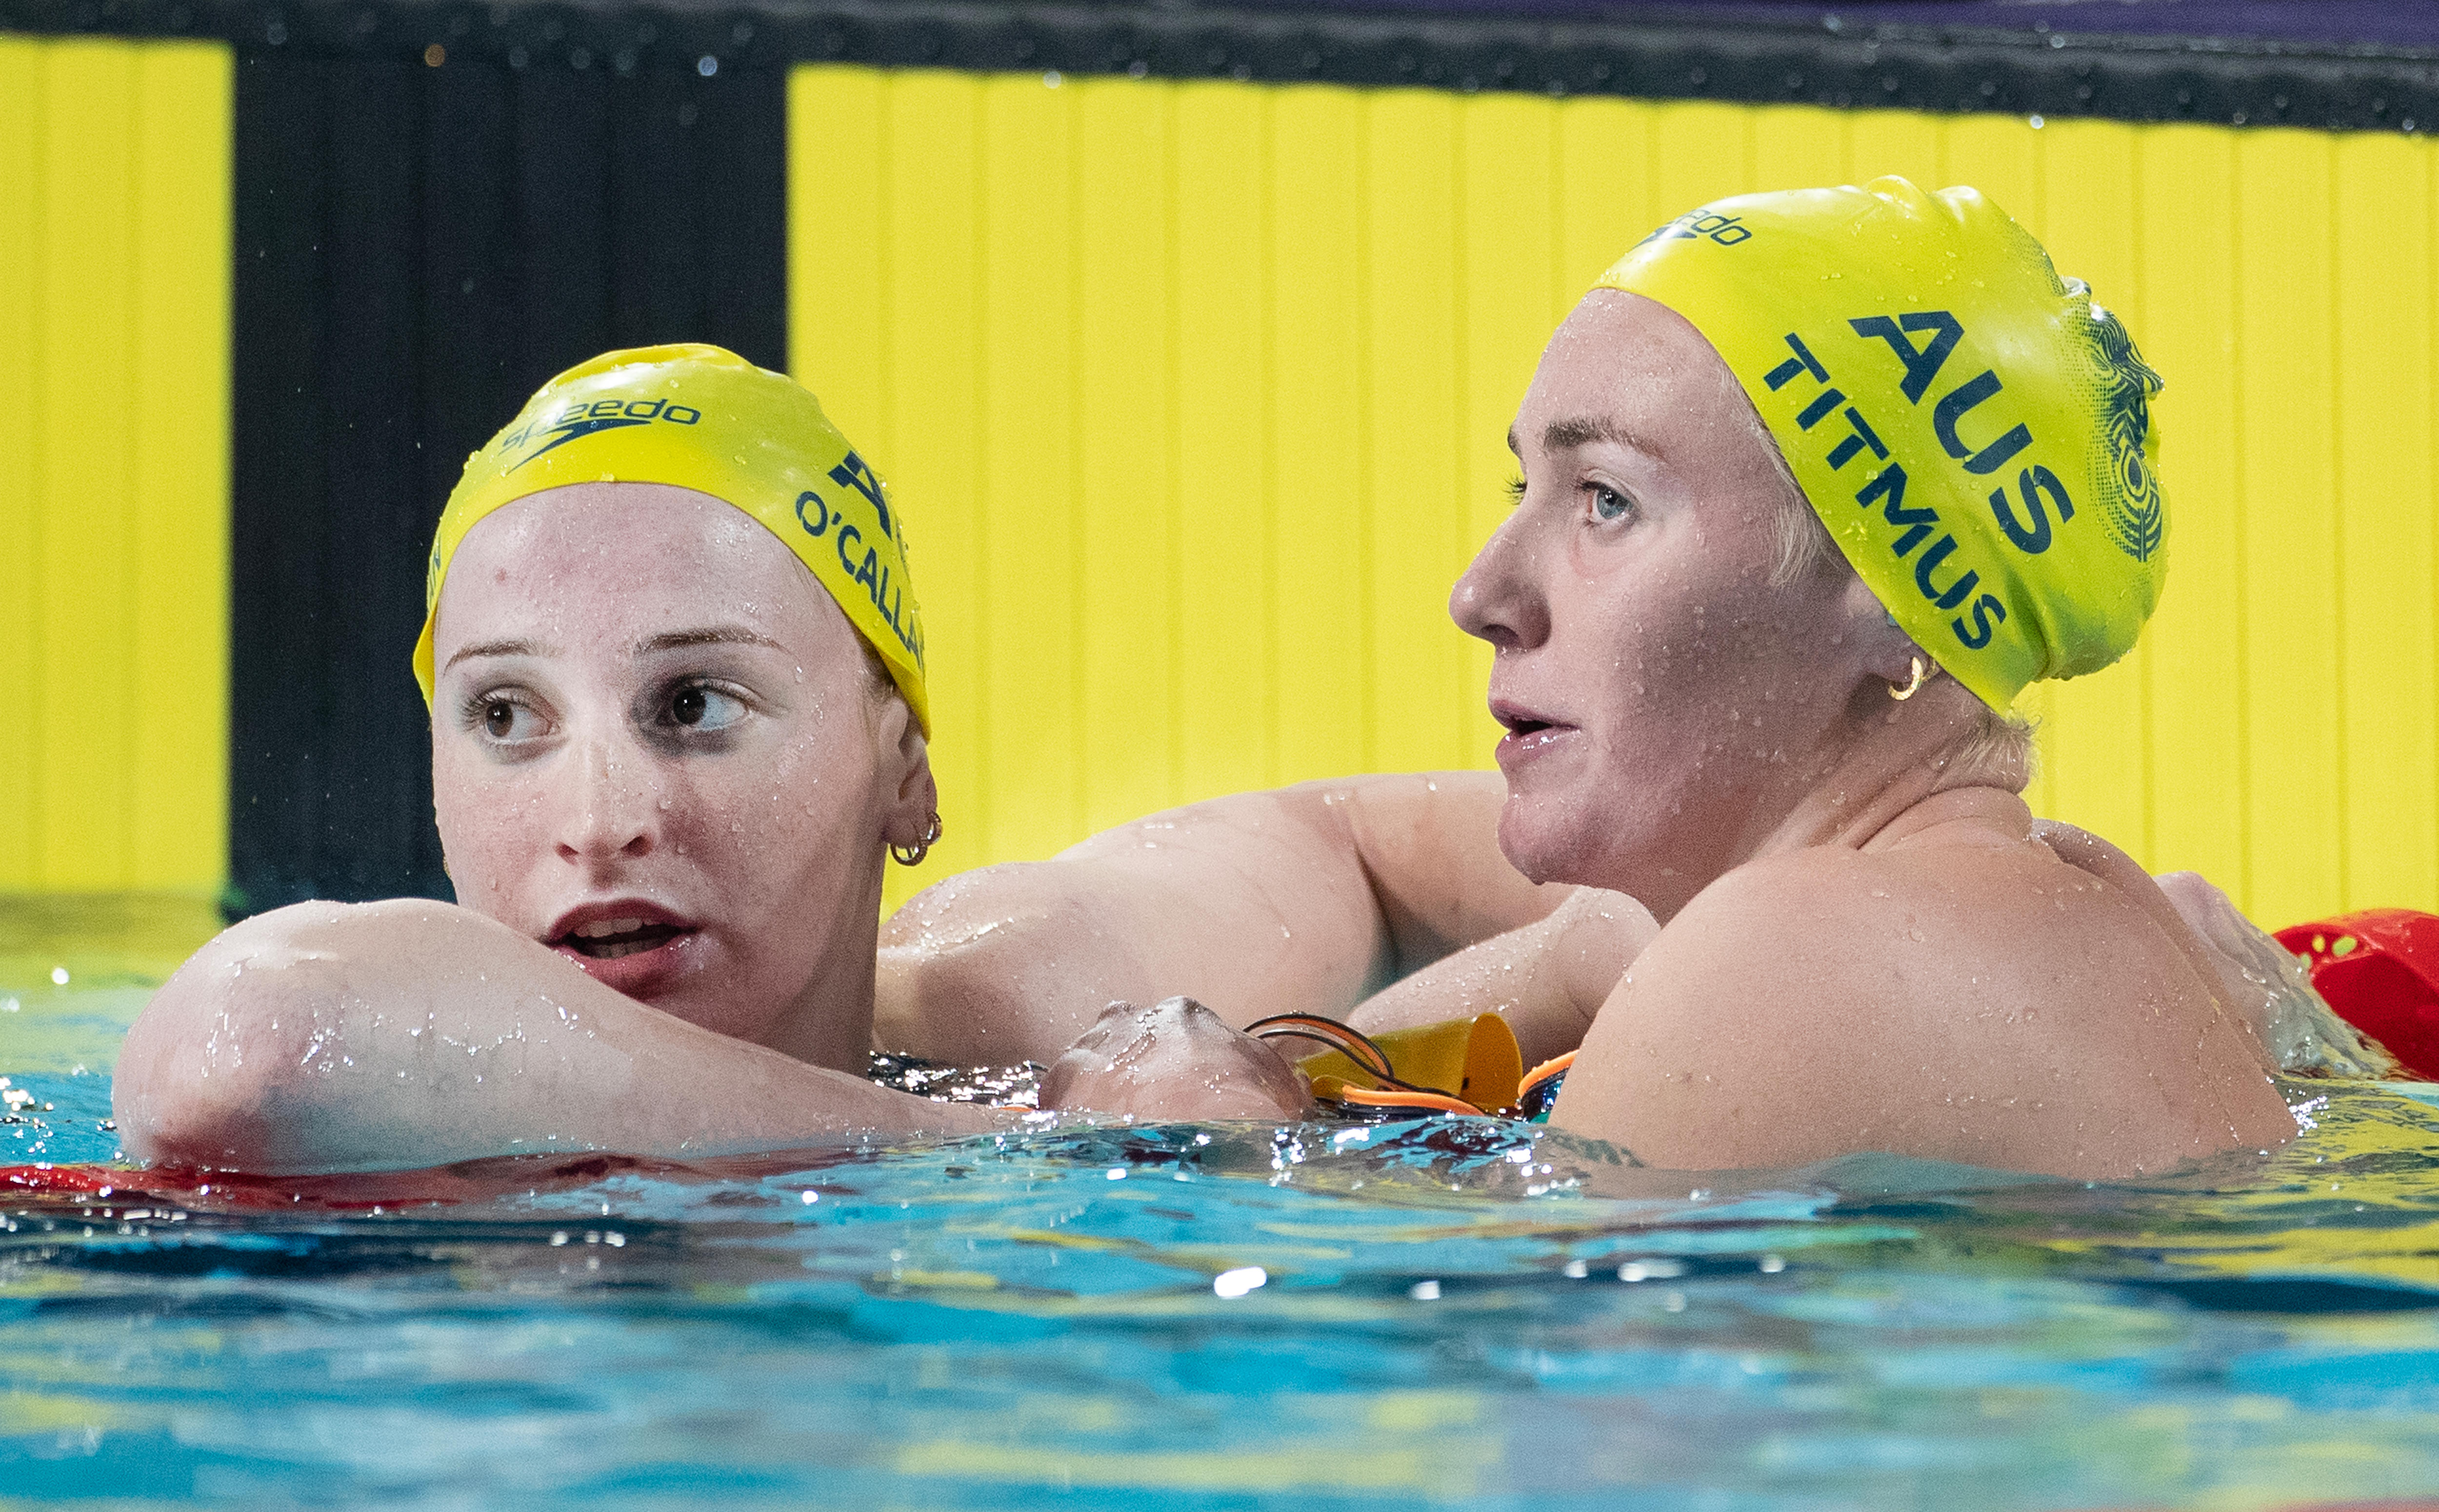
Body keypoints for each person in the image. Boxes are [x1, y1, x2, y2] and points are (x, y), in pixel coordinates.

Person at [888, 179, 2309, 1178]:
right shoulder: (2072, 900)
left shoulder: (1787, 960)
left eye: (1608, 501)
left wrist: (1188, 1153)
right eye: (1524, 487)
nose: (1483, 595)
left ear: (1890, 610)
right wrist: (1278, 1073)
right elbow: (1568, 961)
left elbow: (1479, 1389)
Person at [112, 345, 1304, 1176]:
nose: (597, 820)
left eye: (692, 704)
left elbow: (1353, 845)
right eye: (507, 716)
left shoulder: (996, 994)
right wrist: (1039, 1152)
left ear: (903, 767)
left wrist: (1235, 1076)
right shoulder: (1010, 1135)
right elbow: (251, 1045)